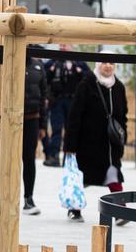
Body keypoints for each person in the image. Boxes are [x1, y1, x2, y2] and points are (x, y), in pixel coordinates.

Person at [62, 61, 127, 222]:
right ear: (98, 65)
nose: (108, 66)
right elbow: (75, 115)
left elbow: (123, 116)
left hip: (110, 144)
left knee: (113, 175)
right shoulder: (86, 84)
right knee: (81, 178)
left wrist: (122, 138)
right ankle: (74, 208)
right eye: (104, 62)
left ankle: (120, 210)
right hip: (87, 142)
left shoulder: (118, 87)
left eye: (112, 63)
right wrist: (70, 144)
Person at [42, 46, 89, 167]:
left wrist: (79, 71)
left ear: (71, 46)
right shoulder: (53, 61)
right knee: (56, 129)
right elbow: (43, 76)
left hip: (73, 102)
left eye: (65, 45)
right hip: (57, 101)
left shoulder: (78, 61)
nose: (62, 47)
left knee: (71, 130)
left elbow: (89, 77)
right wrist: (51, 71)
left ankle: (69, 158)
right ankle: (54, 156)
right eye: (61, 45)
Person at [21, 47, 48, 215]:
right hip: (11, 119)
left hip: (32, 119)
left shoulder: (38, 66)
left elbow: (44, 96)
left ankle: (28, 198)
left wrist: (43, 125)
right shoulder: (9, 62)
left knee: (29, 160)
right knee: (7, 160)